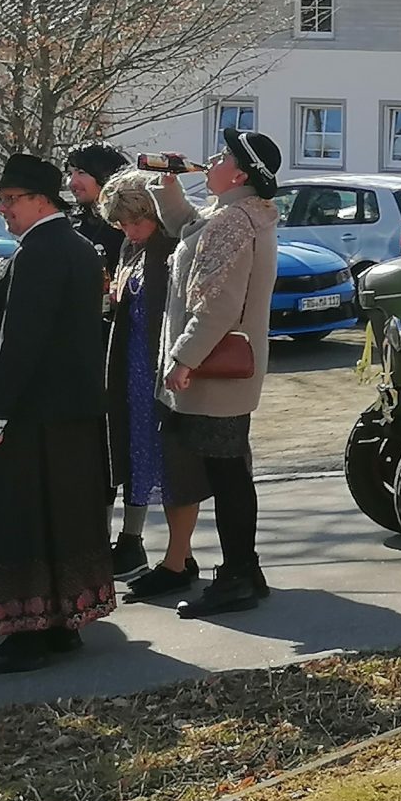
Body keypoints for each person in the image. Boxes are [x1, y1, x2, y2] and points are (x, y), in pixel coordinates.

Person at [0, 151, 116, 673]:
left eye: (11, 198)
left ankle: (27, 635)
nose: (2, 208)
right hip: (69, 413)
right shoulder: (75, 246)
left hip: (33, 415)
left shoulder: (39, 252)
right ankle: (60, 625)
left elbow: (22, 340)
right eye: (1, 198)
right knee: (61, 518)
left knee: (22, 520)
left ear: (42, 200)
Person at [130, 127, 280, 618]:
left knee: (228, 475)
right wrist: (169, 186)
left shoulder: (235, 222)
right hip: (221, 375)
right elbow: (190, 229)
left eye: (222, 156)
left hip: (215, 375)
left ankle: (237, 576)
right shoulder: (235, 214)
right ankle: (244, 571)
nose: (211, 161)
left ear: (239, 174)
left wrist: (184, 359)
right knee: (228, 471)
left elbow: (217, 306)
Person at [97, 168, 176, 581]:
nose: (128, 230)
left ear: (153, 213)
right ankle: (129, 542)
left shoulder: (170, 245)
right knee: (131, 450)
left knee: (157, 455)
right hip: (130, 363)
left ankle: (161, 550)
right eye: (122, 224)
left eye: (133, 221)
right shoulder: (132, 247)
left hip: (156, 365)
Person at [65, 143, 130, 270]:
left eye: (81, 172)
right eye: (69, 174)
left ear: (105, 175)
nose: (72, 182)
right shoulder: (73, 226)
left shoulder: (129, 226)